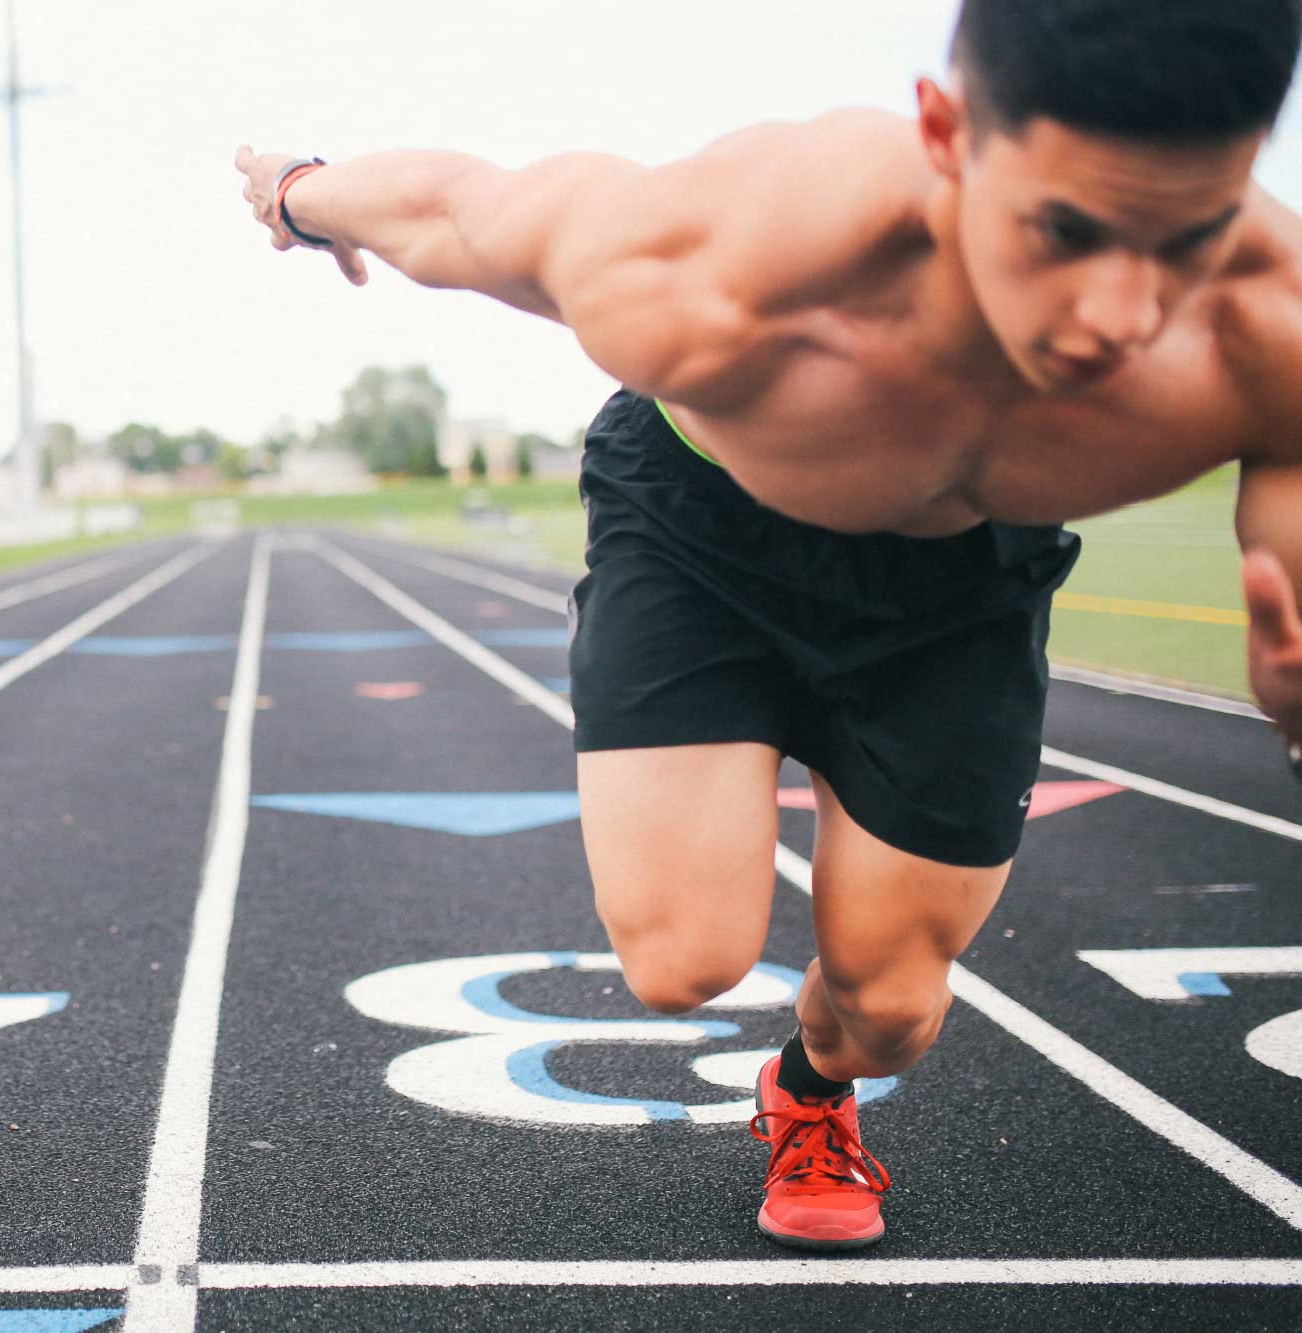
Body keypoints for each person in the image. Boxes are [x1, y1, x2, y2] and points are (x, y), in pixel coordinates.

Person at [233, 0, 1302, 1251]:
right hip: (703, 539)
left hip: (966, 591)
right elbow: (460, 212)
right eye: (1061, 229)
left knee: (892, 1009)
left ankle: (808, 1088)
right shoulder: (711, 267)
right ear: (946, 134)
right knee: (678, 959)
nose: (1118, 317)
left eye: (1181, 235)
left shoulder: (1264, 335)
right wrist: (299, 191)